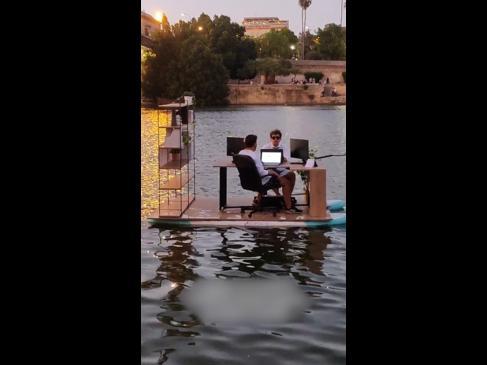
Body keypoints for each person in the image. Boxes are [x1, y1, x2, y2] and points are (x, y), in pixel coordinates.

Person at [239, 134, 299, 213]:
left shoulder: (240, 153)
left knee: (288, 175)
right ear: (254, 144)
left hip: (247, 182)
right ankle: (288, 208)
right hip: (260, 182)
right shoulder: (254, 156)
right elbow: (261, 172)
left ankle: (282, 199)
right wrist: (273, 172)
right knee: (285, 181)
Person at [261, 129, 300, 211]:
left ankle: (287, 196)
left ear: (280, 138)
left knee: (292, 175)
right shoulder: (265, 147)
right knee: (284, 180)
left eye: (277, 138)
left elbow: (288, 160)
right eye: (273, 137)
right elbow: (262, 162)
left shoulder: (284, 147)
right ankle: (286, 202)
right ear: (270, 138)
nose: (275, 139)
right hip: (270, 169)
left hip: (281, 169)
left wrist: (284, 158)